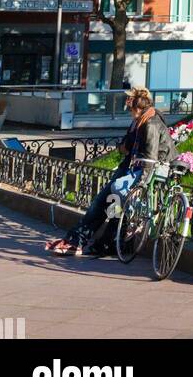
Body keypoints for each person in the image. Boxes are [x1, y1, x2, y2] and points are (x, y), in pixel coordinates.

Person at [46, 87, 178, 257]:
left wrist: (139, 186)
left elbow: (149, 159)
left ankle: (87, 242)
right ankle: (94, 242)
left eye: (129, 108)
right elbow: (125, 145)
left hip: (142, 171)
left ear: (136, 108)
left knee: (107, 203)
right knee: (107, 204)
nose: (129, 112)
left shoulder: (150, 123)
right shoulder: (140, 121)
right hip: (131, 167)